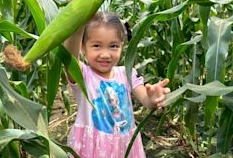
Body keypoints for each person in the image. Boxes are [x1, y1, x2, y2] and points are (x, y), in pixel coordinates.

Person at [64, 11, 170, 158]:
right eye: (96, 46)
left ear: (122, 46)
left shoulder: (126, 73)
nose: (105, 54)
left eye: (113, 46)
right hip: (93, 148)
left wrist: (152, 99)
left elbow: (145, 100)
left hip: (124, 145)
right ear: (83, 47)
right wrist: (78, 25)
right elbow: (68, 56)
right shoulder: (83, 75)